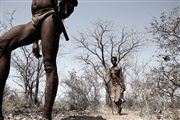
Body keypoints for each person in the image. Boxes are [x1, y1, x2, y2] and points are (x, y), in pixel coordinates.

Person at [0, 0, 78, 119]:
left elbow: (73, 3)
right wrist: (35, 42)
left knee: (49, 65)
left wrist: (63, 9)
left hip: (50, 15)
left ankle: (46, 117)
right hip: (35, 19)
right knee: (3, 45)